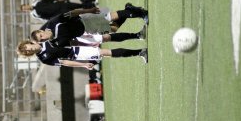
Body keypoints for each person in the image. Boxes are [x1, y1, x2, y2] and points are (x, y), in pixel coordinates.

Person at [16, 39, 147, 68]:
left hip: (79, 39)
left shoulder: (45, 38)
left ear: (30, 43)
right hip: (77, 53)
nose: (29, 50)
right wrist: (82, 65)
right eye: (27, 52)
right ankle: (139, 52)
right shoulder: (44, 59)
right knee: (106, 53)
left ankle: (138, 47)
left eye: (28, 47)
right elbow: (65, 62)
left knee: (107, 41)